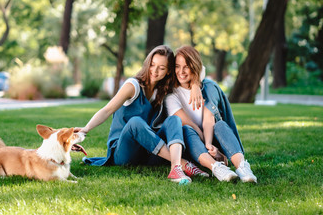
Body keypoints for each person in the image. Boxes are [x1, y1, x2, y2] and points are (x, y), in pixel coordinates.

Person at [75, 45, 208, 184]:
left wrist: (195, 85)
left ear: (169, 71)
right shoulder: (133, 86)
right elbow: (107, 110)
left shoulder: (163, 90)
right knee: (135, 122)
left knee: (174, 120)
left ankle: (175, 169)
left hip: (148, 151)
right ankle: (183, 164)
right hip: (124, 153)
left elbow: (199, 69)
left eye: (161, 68)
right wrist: (86, 129)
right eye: (152, 65)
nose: (155, 71)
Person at [165, 45, 257, 183]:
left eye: (186, 66)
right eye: (177, 66)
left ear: (194, 66)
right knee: (187, 129)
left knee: (220, 124)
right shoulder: (171, 96)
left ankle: (243, 168)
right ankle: (216, 168)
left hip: (212, 138)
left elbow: (209, 119)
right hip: (193, 144)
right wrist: (206, 145)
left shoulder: (208, 87)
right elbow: (189, 124)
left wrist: (209, 144)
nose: (181, 71)